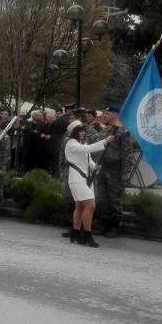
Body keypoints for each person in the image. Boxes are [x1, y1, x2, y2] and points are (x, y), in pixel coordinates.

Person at [64, 120, 114, 247]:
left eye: (83, 131)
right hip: (77, 179)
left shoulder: (79, 143)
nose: (83, 133)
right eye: (80, 131)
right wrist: (105, 141)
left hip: (85, 179)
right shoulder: (71, 143)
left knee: (80, 206)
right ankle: (87, 235)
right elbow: (88, 149)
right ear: (74, 132)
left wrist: (94, 167)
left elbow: (88, 159)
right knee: (90, 205)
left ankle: (75, 233)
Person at [95, 106, 133, 238]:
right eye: (104, 113)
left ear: (115, 114)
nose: (104, 115)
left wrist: (125, 171)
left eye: (107, 113)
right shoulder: (106, 129)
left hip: (115, 169)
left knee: (114, 199)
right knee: (102, 197)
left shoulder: (123, 131)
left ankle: (115, 226)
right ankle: (104, 225)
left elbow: (127, 153)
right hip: (103, 167)